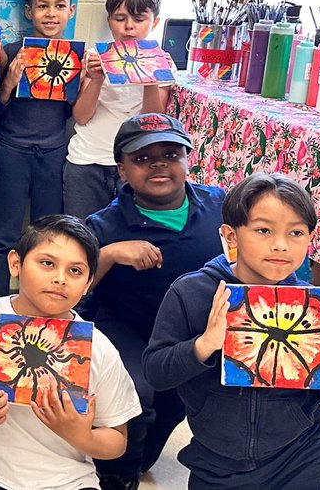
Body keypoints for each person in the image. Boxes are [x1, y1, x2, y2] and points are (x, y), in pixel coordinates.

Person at [143, 173, 320, 489]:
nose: (280, 245)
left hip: (306, 450)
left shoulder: (310, 302)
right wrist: (205, 345)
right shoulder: (191, 293)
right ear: (230, 236)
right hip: (220, 466)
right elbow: (156, 372)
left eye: (296, 233)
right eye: (264, 230)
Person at [83, 113, 226, 490]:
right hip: (129, 329)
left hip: (195, 335)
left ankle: (135, 454)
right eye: (142, 158)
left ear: (187, 160)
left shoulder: (221, 207)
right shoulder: (102, 226)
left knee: (178, 402)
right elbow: (75, 287)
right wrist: (110, 254)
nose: (159, 164)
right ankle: (118, 478)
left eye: (171, 154)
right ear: (122, 170)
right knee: (136, 397)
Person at [0, 214, 141, 490]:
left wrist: (81, 437)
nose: (59, 279)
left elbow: (117, 440)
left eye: (75, 271)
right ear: (15, 263)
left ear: (89, 283)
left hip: (70, 482)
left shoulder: (98, 347)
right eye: (47, 263)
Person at [0, 0, 100, 298]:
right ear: (29, 11)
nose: (51, 14)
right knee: (1, 235)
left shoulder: (76, 58)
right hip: (11, 152)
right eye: (43, 6)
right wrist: (8, 83)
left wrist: (88, 80)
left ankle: (40, 302)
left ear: (72, 10)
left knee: (49, 237)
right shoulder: (11, 52)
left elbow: (75, 114)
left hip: (53, 155)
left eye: (60, 6)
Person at [66, 0, 169, 219]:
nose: (129, 27)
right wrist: (96, 79)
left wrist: (150, 78)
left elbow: (154, 121)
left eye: (139, 19)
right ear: (109, 21)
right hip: (87, 160)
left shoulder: (162, 61)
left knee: (130, 235)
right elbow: (80, 116)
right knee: (82, 233)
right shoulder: (93, 56)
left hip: (135, 162)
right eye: (120, 19)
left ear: (154, 22)